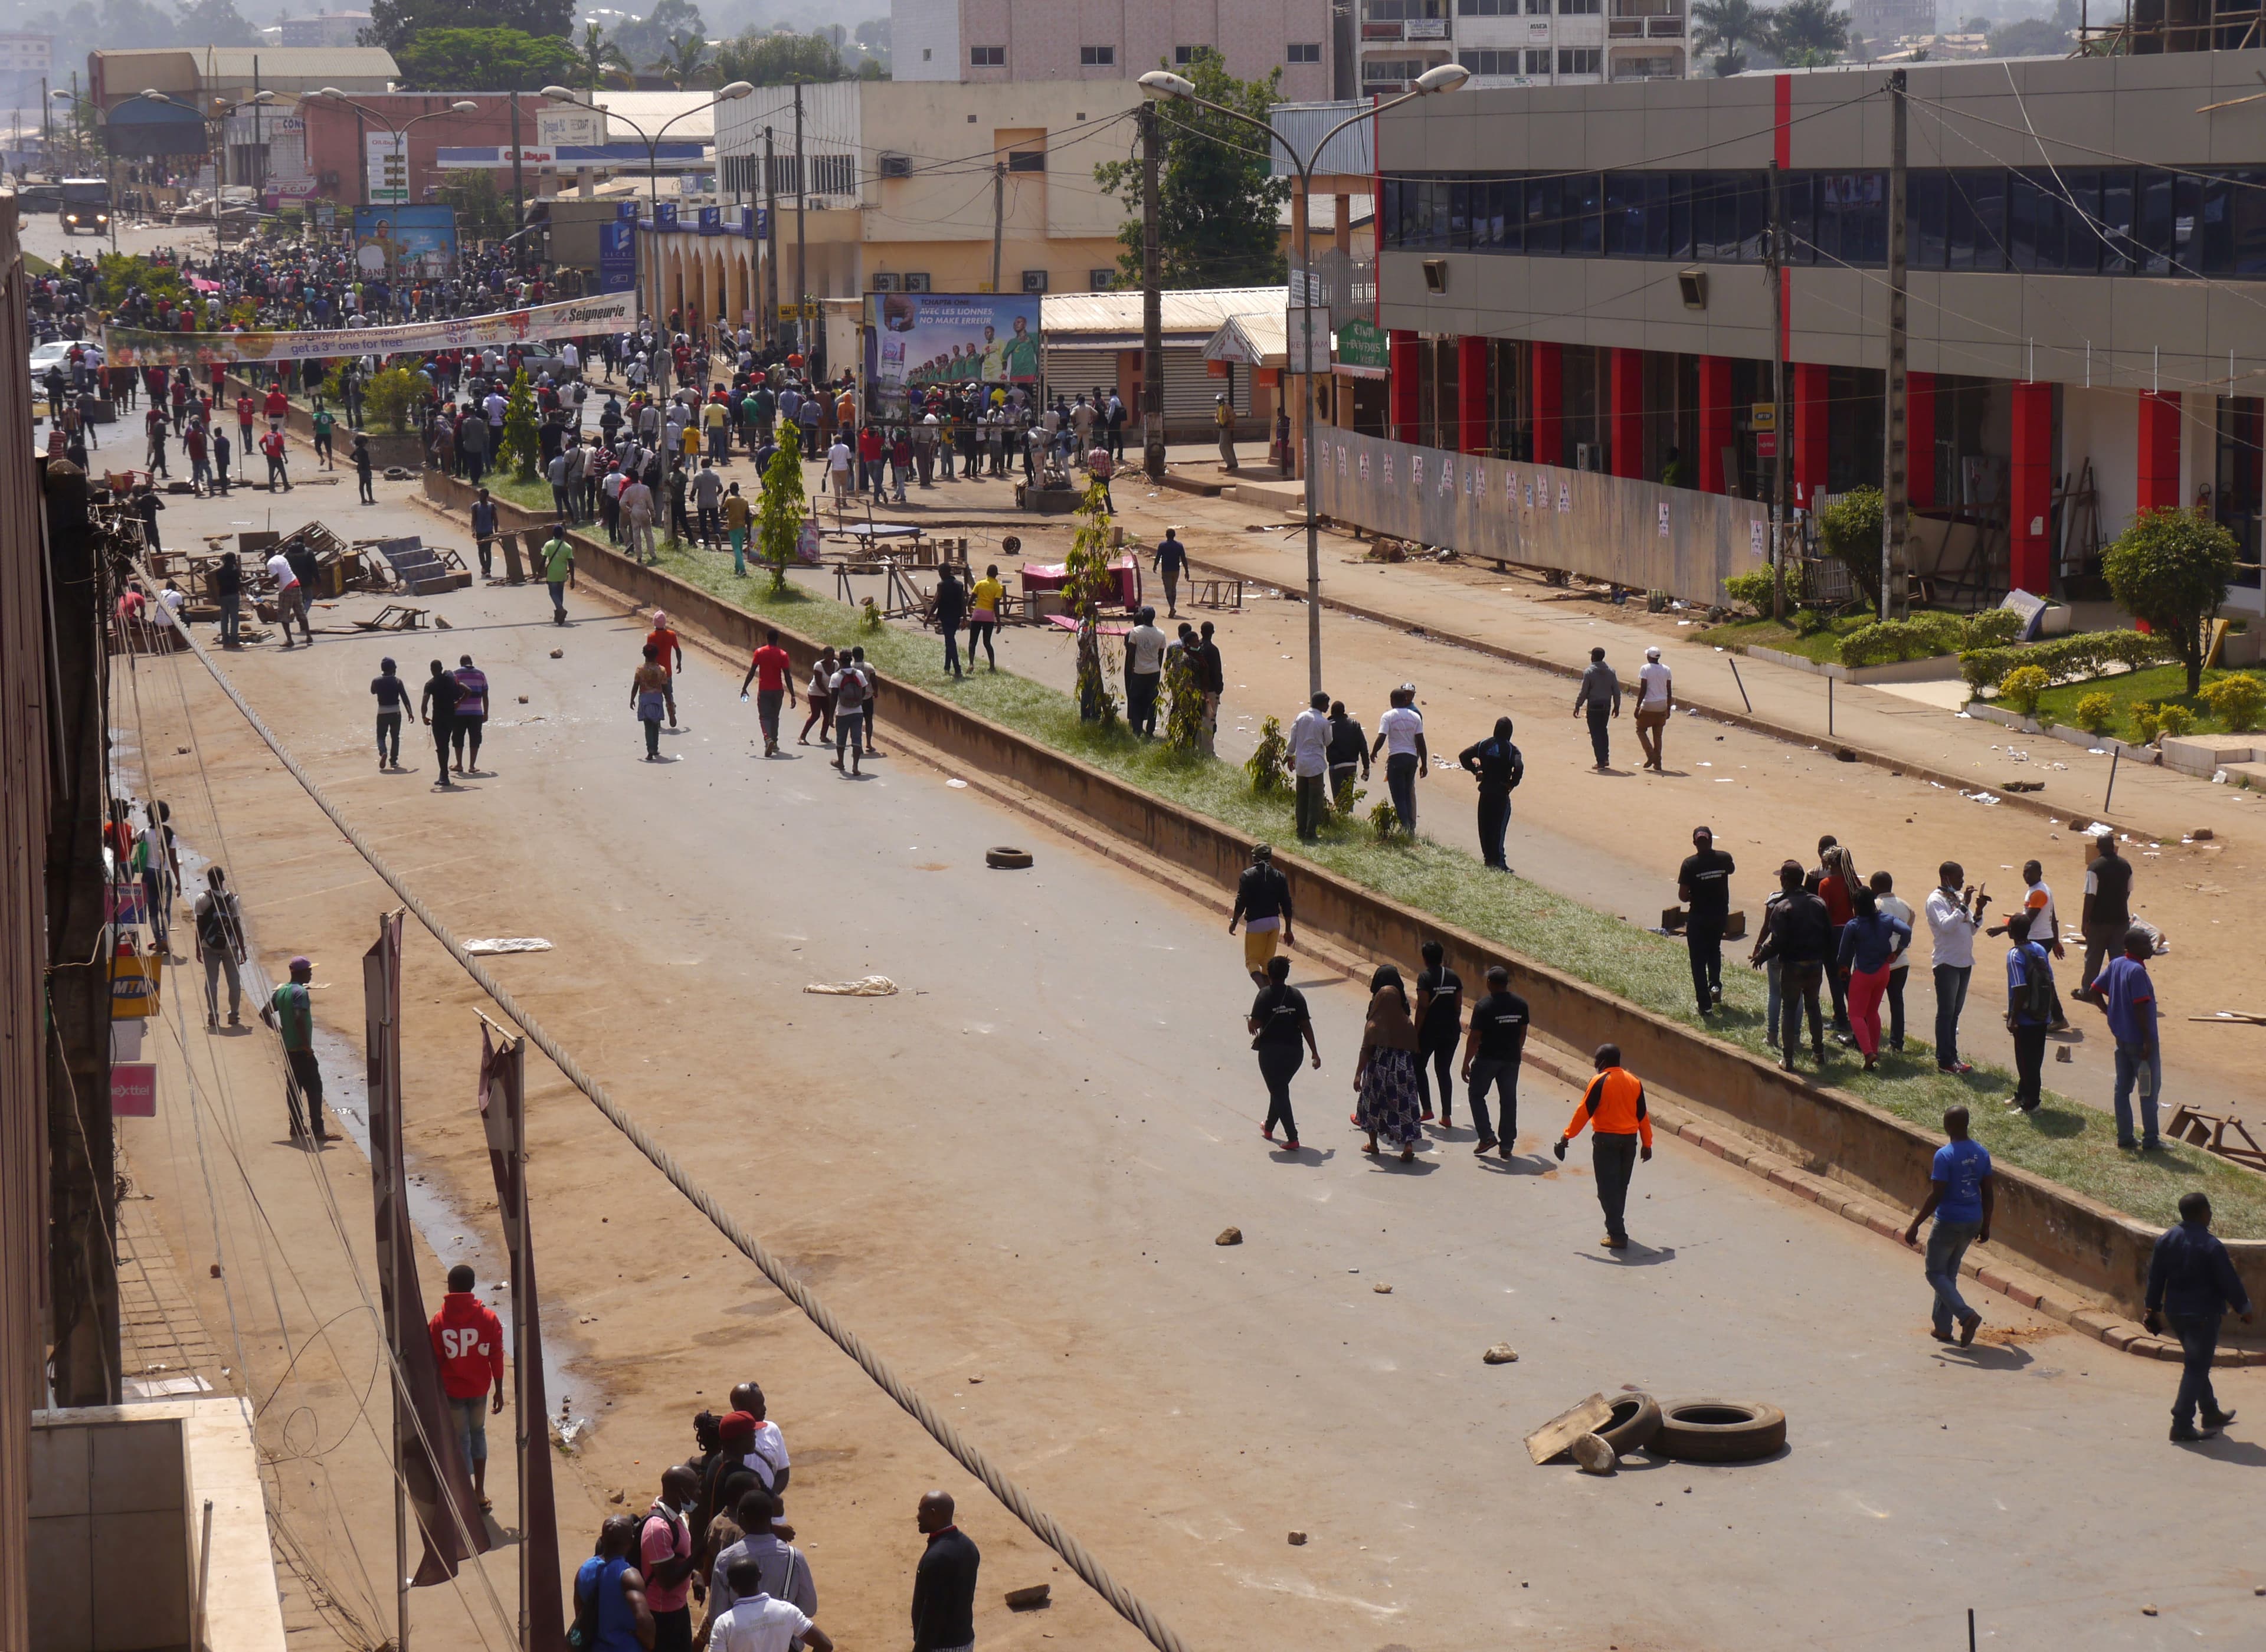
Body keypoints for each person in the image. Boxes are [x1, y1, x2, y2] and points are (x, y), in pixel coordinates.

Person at [2144, 1192, 2254, 1442]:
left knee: (2198, 1363)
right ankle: (2182, 1423)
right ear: (2202, 1214)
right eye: (2209, 1210)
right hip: (2203, 1315)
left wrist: (2151, 1308)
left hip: (2176, 1314)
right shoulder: (2210, 1245)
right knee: (2196, 1367)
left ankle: (2211, 1412)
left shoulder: (2166, 1240)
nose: (2212, 1214)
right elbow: (2229, 1282)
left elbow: (2155, 1278)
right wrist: (2244, 1309)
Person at [1901, 1106, 1993, 1347]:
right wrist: (1986, 1225)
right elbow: (1989, 1192)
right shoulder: (1981, 1153)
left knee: (1934, 1273)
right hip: (1973, 1220)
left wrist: (1915, 1224)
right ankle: (1942, 1329)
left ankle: (1966, 1315)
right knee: (1948, 1274)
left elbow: (1936, 1195)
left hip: (1949, 1222)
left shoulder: (1945, 1155)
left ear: (1947, 1125)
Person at [1554, 1043, 1653, 1249]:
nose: (1594, 1063)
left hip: (1606, 1142)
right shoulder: (1634, 1081)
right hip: (1629, 1143)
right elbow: (1642, 1115)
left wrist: (1566, 1137)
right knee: (1620, 1187)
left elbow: (1584, 1112)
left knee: (1606, 1191)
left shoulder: (1599, 1081)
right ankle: (1615, 1226)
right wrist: (1647, 1143)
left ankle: (1617, 1234)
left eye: (1596, 1060)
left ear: (1603, 1062)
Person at [428, 1263, 506, 1507]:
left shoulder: (439, 1321)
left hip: (452, 1392)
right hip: (479, 1390)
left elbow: (435, 1359)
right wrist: (499, 1389)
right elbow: (496, 1355)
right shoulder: (488, 1318)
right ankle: (479, 1493)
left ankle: (461, 1494)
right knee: (478, 1433)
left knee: (460, 1438)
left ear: (450, 1287)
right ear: (472, 1287)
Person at [2091, 926, 2165, 1151]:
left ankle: (2125, 1138)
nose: (2150, 947)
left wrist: (2110, 1013)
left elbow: (2094, 990)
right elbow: (2141, 1007)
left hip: (2121, 1038)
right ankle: (2151, 1140)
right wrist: (2147, 1041)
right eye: (2145, 944)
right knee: (2148, 1091)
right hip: (2141, 1043)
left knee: (2122, 1090)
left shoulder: (2116, 964)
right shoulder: (2137, 972)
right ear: (2132, 947)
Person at [1354, 965, 1425, 1163]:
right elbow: (1413, 1047)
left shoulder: (1374, 1023)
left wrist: (1358, 1074)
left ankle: (1374, 1144)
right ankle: (1408, 1145)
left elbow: (1366, 1049)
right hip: (1403, 1068)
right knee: (1405, 1106)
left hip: (1379, 1066)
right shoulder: (1406, 1020)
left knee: (1372, 1104)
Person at [1924, 861, 1989, 1074]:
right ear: (1946, 877)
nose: (1963, 880)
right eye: (1959, 876)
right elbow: (1946, 926)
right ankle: (1945, 1060)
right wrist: (1964, 905)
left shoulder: (1958, 898)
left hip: (1964, 962)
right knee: (1946, 1013)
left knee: (1955, 1014)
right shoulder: (1935, 900)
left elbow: (1971, 930)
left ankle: (1953, 1057)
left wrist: (1977, 910)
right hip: (1946, 964)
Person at [1249, 953, 1318, 1151]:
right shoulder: (1296, 996)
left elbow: (1255, 1024)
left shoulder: (1264, 995)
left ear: (1269, 974)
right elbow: (1305, 1025)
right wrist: (1315, 1052)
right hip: (1295, 1053)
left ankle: (1293, 1138)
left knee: (1279, 1090)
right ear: (1287, 974)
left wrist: (1250, 1023)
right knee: (1279, 1089)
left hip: (1270, 1053)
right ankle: (1269, 1127)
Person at [1836, 886, 1910, 1070]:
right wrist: (1898, 951)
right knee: (1872, 1012)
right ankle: (1874, 1050)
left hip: (1864, 974)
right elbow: (1906, 930)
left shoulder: (1854, 925)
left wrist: (1843, 969)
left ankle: (1868, 1053)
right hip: (1884, 971)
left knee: (1855, 1014)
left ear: (1856, 906)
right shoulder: (1886, 919)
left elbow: (1843, 954)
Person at [1460, 963, 1528, 1157]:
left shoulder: (1484, 1006)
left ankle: (1487, 1136)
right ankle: (1506, 1144)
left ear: (1490, 983)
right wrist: (1516, 1050)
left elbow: (1474, 1038)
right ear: (1506, 984)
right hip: (1511, 1060)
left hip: (1487, 1059)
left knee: (1476, 1094)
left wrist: (1466, 1062)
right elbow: (1522, 1033)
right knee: (1508, 1101)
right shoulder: (1521, 1004)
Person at [260, 956, 329, 1143]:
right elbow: (299, 1017)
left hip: (289, 1048)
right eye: (309, 970)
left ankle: (296, 1126)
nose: (311, 973)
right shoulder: (300, 993)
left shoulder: (281, 992)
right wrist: (307, 1046)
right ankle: (318, 1130)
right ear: (301, 972)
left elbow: (264, 1013)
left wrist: (281, 1031)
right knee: (315, 1088)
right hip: (301, 1049)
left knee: (293, 1087)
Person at [710, 1551, 832, 1652]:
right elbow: (825, 1645)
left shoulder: (724, 1623)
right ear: (760, 1576)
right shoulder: (788, 1611)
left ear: (731, 1586)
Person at [636, 1467, 699, 1651]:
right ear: (680, 1492)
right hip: (662, 1614)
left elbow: (677, 1559)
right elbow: (667, 1581)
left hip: (678, 1607)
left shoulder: (677, 1516)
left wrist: (695, 1575)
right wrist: (701, 1551)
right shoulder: (659, 1529)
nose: (699, 1493)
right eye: (695, 1488)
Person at [572, 1515, 657, 1652]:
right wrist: (649, 1646)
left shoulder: (583, 1571)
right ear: (632, 1541)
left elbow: (580, 1615)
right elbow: (645, 1623)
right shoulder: (629, 1576)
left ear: (602, 1539)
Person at [1677, 826, 1735, 1017]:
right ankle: (1715, 987)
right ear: (1711, 841)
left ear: (1695, 843)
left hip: (1699, 918)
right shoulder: (1724, 858)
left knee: (1698, 960)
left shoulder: (1689, 864)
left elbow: (1683, 896)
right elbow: (1731, 870)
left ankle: (1705, 1006)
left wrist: (1696, 892)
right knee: (1714, 950)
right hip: (1719, 915)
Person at [911, 1491, 978, 1652]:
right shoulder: (968, 1546)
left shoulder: (937, 1558)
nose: (918, 1517)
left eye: (921, 1511)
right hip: (964, 1639)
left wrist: (920, 1649)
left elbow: (933, 1612)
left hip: (943, 1646)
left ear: (933, 1514)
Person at [1457, 717, 1524, 873]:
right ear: (1510, 733)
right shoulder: (1512, 750)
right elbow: (1519, 766)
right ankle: (1499, 862)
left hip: (1485, 791)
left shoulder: (1484, 744)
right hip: (1501, 793)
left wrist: (1476, 769)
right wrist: (1512, 783)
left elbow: (1464, 756)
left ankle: (1489, 859)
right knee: (1498, 828)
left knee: (1485, 826)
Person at [2004, 909, 2054, 1113]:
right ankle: (2022, 1093)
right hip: (2042, 1014)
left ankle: (2031, 1104)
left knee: (2025, 1061)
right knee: (2034, 1059)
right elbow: (2050, 981)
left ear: (2010, 932)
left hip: (2025, 1018)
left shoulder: (2014, 955)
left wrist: (2014, 1017)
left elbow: (2020, 988)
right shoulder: (2040, 949)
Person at [1228, 843, 1295, 986]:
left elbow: (1241, 902)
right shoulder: (1280, 877)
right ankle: (1270, 995)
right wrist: (1288, 929)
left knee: (1252, 962)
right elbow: (1287, 904)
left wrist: (1234, 923)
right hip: (1274, 924)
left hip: (1256, 924)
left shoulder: (1247, 876)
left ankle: (1265, 994)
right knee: (1266, 965)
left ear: (1254, 858)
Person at [2077, 831, 2134, 1000]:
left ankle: (2087, 991)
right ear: (2114, 847)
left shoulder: (2095, 867)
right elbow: (2128, 891)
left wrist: (2085, 920)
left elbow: (2090, 895)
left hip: (2099, 921)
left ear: (2097, 847)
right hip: (2121, 920)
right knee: (2118, 958)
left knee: (2094, 957)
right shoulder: (2126, 866)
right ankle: (2119, 993)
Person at [1412, 939, 1463, 1125]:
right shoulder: (1454, 977)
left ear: (1425, 958)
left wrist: (1416, 1033)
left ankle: (1426, 1110)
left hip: (1429, 1032)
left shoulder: (1424, 978)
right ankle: (1447, 1116)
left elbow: (1423, 1007)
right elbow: (1458, 1006)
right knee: (1443, 1070)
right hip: (1451, 1032)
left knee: (1418, 1067)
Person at [192, 866, 247, 1029]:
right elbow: (237, 926)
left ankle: (213, 1016)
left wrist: (198, 947)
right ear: (223, 879)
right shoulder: (233, 899)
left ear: (209, 880)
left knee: (211, 982)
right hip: (230, 946)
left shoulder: (202, 898)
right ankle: (234, 1015)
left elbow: (199, 926)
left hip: (208, 946)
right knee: (234, 982)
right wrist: (242, 949)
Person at [1869, 870, 1917, 1054]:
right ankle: (1897, 1043)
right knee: (1897, 1001)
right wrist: (1898, 952)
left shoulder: (1876, 905)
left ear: (1876, 888)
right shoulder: (1906, 906)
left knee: (1871, 1003)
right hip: (1901, 961)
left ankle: (1868, 1039)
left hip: (1880, 962)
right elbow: (1907, 933)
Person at [1370, 686, 1427, 836]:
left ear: (1392, 701)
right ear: (1405, 700)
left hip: (1396, 758)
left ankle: (1406, 826)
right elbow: (1421, 742)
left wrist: (1374, 752)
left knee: (1398, 794)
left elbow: (1382, 736)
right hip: (1411, 759)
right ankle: (1409, 826)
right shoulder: (1415, 716)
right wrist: (1424, 764)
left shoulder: (1388, 716)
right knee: (1407, 792)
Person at [738, 630, 797, 758]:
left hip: (764, 690)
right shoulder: (783, 654)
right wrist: (792, 694)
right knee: (775, 717)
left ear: (767, 638)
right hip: (778, 691)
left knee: (764, 717)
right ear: (777, 639)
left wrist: (744, 687)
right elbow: (787, 676)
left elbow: (752, 671)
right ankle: (774, 742)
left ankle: (767, 739)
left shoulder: (759, 652)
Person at [1288, 691, 1331, 841]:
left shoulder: (1300, 717)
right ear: (1320, 704)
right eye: (1327, 703)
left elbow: (1293, 739)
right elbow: (1328, 742)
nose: (1328, 706)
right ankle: (1311, 832)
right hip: (1316, 765)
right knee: (1315, 799)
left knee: (1301, 798)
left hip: (1302, 764)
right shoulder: (1324, 722)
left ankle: (1300, 830)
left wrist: (1289, 755)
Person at [1572, 645, 1620, 770]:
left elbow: (1584, 692)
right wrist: (1617, 706)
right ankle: (1605, 757)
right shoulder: (1611, 671)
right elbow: (1616, 691)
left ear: (1593, 657)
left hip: (1594, 707)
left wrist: (1578, 705)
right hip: (1606, 707)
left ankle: (1600, 762)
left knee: (1595, 734)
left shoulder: (1589, 672)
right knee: (1603, 731)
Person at [420, 659, 464, 789]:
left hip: (438, 719)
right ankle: (443, 774)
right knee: (445, 745)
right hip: (451, 717)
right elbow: (467, 690)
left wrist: (423, 717)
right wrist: (459, 702)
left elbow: (424, 702)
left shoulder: (430, 684)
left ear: (431, 670)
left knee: (442, 747)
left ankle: (444, 775)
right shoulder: (450, 681)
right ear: (441, 668)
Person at [1124, 608, 1167, 739]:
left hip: (1139, 672)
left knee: (1136, 700)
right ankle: (1150, 731)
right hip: (1154, 672)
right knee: (1152, 701)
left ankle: (1137, 730)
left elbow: (1131, 654)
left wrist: (1132, 669)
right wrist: (1156, 668)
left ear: (1142, 617)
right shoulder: (1161, 633)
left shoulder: (1135, 632)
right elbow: (1160, 656)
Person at [829, 647, 870, 775]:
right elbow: (863, 691)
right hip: (858, 711)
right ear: (851, 659)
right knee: (857, 739)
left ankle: (840, 762)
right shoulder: (859, 674)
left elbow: (834, 697)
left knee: (841, 738)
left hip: (842, 713)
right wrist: (858, 702)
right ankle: (855, 767)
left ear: (840, 660)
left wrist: (830, 716)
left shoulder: (836, 676)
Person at [1633, 645, 1673, 771]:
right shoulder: (1667, 669)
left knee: (1640, 730)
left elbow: (1643, 689)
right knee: (1658, 734)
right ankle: (1658, 763)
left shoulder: (1645, 669)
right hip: (1662, 705)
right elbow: (1669, 690)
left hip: (1649, 705)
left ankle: (1651, 755)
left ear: (1649, 657)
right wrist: (1668, 708)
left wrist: (1637, 706)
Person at [1325, 700, 1368, 808]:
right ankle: (1348, 816)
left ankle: (1343, 820)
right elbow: (1363, 747)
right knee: (1348, 796)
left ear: (1332, 712)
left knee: (1338, 798)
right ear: (1344, 711)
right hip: (1351, 765)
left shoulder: (1328, 726)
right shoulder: (1354, 724)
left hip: (1335, 766)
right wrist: (1366, 768)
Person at [268, 547, 313, 648]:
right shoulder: (281, 558)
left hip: (286, 589)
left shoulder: (270, 563)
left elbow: (276, 578)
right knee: (301, 612)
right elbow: (284, 573)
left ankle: (289, 640)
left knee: (284, 615)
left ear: (267, 555)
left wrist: (266, 584)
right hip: (296, 584)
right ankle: (309, 636)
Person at [451, 654, 489, 775]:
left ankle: (459, 764)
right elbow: (485, 695)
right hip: (476, 712)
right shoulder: (481, 674)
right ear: (471, 662)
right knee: (475, 738)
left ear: (461, 663)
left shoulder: (455, 674)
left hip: (459, 713)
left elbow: (450, 694)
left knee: (458, 738)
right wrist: (486, 713)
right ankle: (472, 766)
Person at [646, 609, 684, 730]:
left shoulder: (651, 637)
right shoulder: (671, 635)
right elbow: (678, 650)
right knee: (669, 694)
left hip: (655, 671)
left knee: (656, 696)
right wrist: (679, 663)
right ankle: (671, 708)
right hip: (667, 671)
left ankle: (657, 719)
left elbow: (648, 654)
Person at [370, 657, 410, 771]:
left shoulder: (376, 681)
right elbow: (405, 698)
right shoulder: (398, 681)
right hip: (396, 712)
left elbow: (373, 691)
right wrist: (410, 713)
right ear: (393, 669)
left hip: (382, 712)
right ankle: (393, 761)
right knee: (395, 737)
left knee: (381, 736)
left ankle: (383, 752)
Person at [634, 645, 672, 761]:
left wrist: (632, 699)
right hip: (657, 699)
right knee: (655, 724)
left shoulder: (640, 669)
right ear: (657, 655)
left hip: (645, 699)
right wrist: (669, 701)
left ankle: (650, 750)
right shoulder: (662, 670)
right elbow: (665, 688)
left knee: (648, 726)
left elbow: (636, 685)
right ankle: (654, 748)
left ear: (644, 655)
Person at [967, 565, 1003, 672]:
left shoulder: (980, 584)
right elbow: (996, 605)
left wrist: (969, 607)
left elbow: (971, 598)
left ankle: (971, 664)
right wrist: (999, 622)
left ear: (987, 573)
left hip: (977, 615)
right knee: (987, 642)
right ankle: (992, 667)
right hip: (989, 617)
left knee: (973, 641)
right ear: (996, 575)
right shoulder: (998, 587)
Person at [797, 647, 837, 746]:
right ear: (824, 655)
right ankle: (802, 737)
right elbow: (819, 683)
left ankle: (823, 736)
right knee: (815, 715)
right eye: (828, 655)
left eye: (832, 655)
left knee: (828, 715)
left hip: (827, 693)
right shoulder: (818, 666)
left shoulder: (836, 664)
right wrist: (829, 694)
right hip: (815, 693)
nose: (831, 658)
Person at [934, 565, 966, 678]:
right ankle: (947, 667)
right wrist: (964, 618)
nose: (939, 574)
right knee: (949, 641)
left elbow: (936, 602)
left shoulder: (941, 585)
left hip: (946, 617)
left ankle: (957, 669)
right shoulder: (959, 585)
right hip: (955, 618)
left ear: (944, 572)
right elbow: (963, 603)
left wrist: (929, 617)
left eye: (940, 572)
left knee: (950, 642)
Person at [543, 526, 576, 625]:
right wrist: (573, 579)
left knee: (553, 593)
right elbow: (571, 563)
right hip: (562, 573)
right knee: (560, 593)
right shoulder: (568, 547)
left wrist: (538, 573)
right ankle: (558, 615)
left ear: (553, 534)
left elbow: (543, 559)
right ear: (562, 534)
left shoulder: (548, 545)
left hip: (552, 573)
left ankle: (561, 610)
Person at [1154, 526, 1188, 617]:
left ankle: (1172, 608)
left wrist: (1155, 566)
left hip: (1166, 571)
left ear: (1166, 536)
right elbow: (1184, 559)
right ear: (1174, 536)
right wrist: (1187, 571)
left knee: (1168, 590)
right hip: (1176, 570)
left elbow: (1158, 557)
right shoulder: (1179, 546)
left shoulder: (1162, 545)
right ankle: (1172, 607)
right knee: (1173, 589)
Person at [211, 549, 243, 647]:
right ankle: (234, 640)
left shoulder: (219, 571)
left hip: (223, 596)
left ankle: (226, 640)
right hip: (233, 595)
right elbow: (240, 580)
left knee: (224, 619)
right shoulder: (235, 570)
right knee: (234, 619)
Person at [723, 481, 752, 576]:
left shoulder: (729, 500)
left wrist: (724, 497)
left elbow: (721, 511)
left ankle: (743, 570)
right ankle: (737, 568)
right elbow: (748, 517)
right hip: (742, 528)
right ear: (738, 489)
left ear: (731, 491)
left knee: (736, 549)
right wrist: (749, 531)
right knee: (739, 548)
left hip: (732, 527)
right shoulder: (745, 500)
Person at [471, 487, 498, 579]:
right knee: (481, 551)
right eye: (479, 495)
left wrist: (496, 531)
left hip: (488, 532)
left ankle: (488, 570)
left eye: (482, 495)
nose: (480, 497)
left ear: (486, 496)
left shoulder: (491, 506)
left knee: (488, 550)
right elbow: (473, 519)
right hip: (479, 532)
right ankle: (483, 566)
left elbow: (495, 519)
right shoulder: (475, 506)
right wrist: (473, 530)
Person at [1213, 391, 1238, 471]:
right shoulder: (1218, 408)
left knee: (1223, 445)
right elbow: (1216, 417)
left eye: (1220, 400)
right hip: (1222, 428)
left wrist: (1227, 423)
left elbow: (1233, 416)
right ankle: (1232, 463)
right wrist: (1219, 423)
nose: (1219, 402)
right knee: (1227, 445)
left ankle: (1231, 463)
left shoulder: (1227, 407)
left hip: (1227, 429)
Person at [353, 431, 375, 504]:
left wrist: (358, 462)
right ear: (363, 443)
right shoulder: (364, 451)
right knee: (368, 484)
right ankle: (371, 498)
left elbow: (351, 457)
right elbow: (367, 461)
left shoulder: (357, 450)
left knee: (361, 484)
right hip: (366, 469)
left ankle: (363, 499)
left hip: (360, 469)